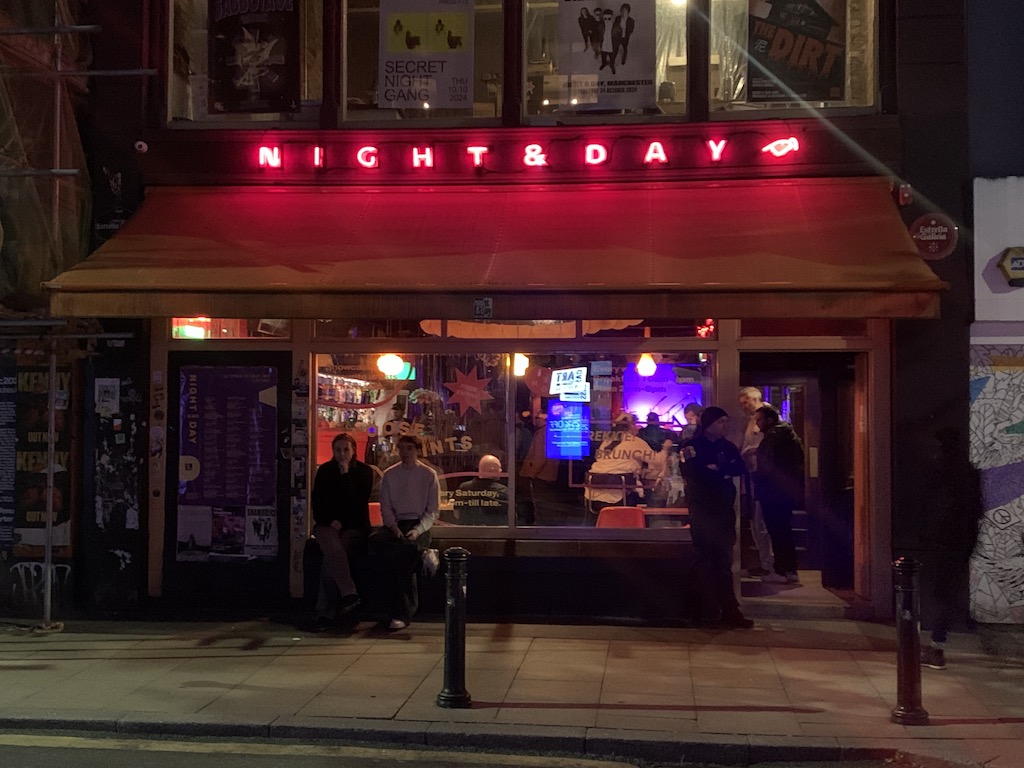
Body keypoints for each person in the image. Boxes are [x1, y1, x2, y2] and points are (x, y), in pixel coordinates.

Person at [681, 406, 752, 628]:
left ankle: (730, 612)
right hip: (702, 510)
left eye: (726, 422)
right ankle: (695, 612)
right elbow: (694, 472)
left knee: (723, 562)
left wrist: (716, 469)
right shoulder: (691, 446)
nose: (725, 426)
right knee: (703, 561)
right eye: (721, 422)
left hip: (724, 511)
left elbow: (740, 468)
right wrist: (722, 471)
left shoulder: (727, 447)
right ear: (709, 424)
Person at [920, 427, 982, 670]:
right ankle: (941, 639)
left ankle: (937, 647)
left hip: (940, 539)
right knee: (949, 589)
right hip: (962, 539)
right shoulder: (969, 472)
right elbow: (977, 509)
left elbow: (927, 505)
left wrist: (925, 533)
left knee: (939, 592)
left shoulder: (937, 470)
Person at [371, 434, 440, 631]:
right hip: (397, 525)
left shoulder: (428, 475)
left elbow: (432, 511)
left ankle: (399, 612)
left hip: (418, 524)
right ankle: (403, 611)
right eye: (402, 448)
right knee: (378, 542)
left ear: (417, 451)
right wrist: (394, 528)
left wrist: (417, 530)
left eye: (409, 448)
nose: (405, 452)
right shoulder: (390, 475)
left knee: (401, 559)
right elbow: (386, 507)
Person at [311, 433, 373, 631]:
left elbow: (358, 503)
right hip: (327, 525)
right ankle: (349, 593)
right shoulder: (325, 471)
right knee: (334, 550)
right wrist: (330, 520)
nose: (342, 454)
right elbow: (318, 502)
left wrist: (346, 474)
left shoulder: (364, 472)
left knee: (332, 557)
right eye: (338, 450)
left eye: (346, 449)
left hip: (353, 527)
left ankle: (325, 612)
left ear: (354, 450)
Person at [753, 404, 805, 585]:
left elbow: (766, 465)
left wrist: (758, 481)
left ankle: (781, 571)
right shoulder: (789, 435)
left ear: (769, 420)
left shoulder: (772, 437)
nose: (757, 424)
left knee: (776, 531)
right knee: (785, 530)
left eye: (759, 420)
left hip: (772, 491)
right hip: (787, 491)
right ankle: (790, 570)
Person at [585, 412, 655, 516]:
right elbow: (655, 461)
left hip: (592, 497)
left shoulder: (606, 441)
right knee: (650, 494)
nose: (638, 428)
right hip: (619, 499)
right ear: (631, 426)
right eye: (636, 425)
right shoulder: (635, 441)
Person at [737, 386, 775, 577]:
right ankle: (765, 561)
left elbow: (767, 445)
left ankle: (770, 563)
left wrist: (752, 452)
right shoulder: (752, 420)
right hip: (752, 475)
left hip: (763, 477)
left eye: (746, 402)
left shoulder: (767, 418)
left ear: (755, 399)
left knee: (763, 521)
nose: (743, 406)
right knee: (755, 521)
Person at [520, 412, 559, 524]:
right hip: (548, 474)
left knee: (539, 503)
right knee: (546, 503)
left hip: (540, 475)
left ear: (542, 419)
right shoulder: (552, 431)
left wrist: (532, 473)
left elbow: (539, 457)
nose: (534, 421)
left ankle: (539, 525)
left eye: (536, 418)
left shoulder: (542, 433)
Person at [452, 454, 508, 525]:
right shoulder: (502, 491)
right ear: (492, 471)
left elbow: (456, 513)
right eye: (499, 468)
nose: (501, 471)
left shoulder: (463, 488)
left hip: (466, 533)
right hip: (494, 534)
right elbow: (509, 517)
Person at [598, 9, 615, 74]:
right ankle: (604, 63)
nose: (607, 21)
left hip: (612, 45)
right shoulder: (601, 26)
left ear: (612, 18)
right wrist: (600, 45)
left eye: (609, 18)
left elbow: (618, 38)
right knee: (603, 56)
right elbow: (599, 37)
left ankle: (612, 66)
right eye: (605, 19)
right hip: (604, 44)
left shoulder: (616, 27)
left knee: (612, 57)